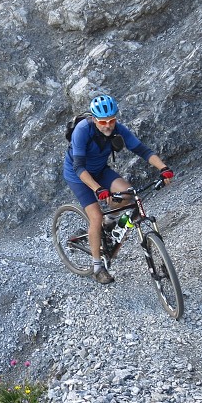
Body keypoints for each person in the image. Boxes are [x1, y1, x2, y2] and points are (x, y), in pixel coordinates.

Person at [62, 94, 174, 284]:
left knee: (127, 193)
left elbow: (143, 151)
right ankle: (98, 267)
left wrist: (164, 169)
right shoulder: (82, 130)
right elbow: (79, 167)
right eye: (103, 121)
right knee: (95, 217)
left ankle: (111, 221)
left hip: (100, 171)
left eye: (111, 120)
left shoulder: (118, 130)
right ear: (95, 119)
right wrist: (98, 189)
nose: (108, 125)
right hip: (78, 176)